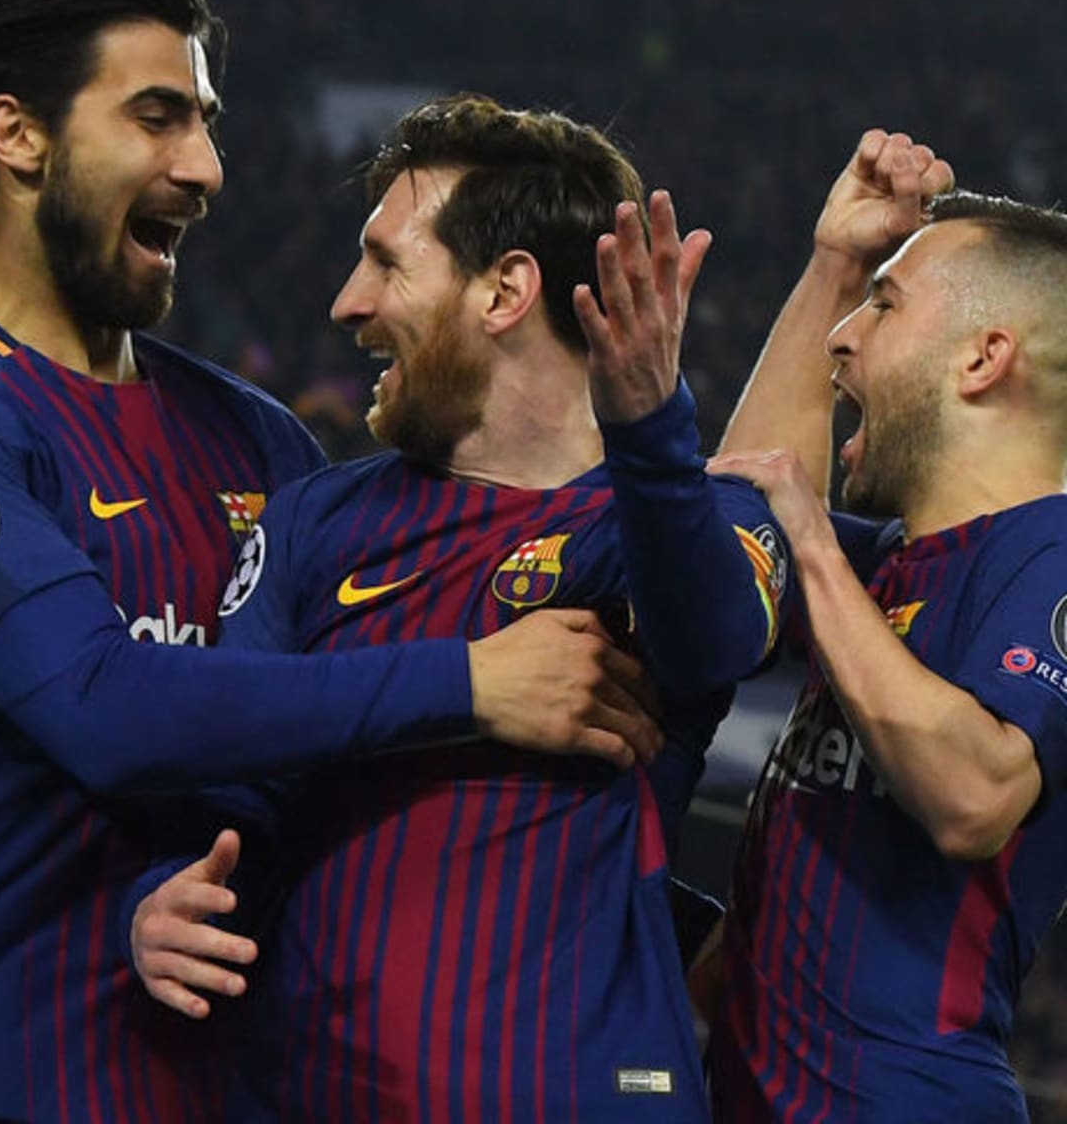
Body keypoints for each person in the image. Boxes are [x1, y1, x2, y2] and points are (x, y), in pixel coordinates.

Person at [0, 0, 660, 1124]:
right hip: (7, 1076)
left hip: (246, 1083)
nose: (205, 167)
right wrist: (471, 680)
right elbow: (97, 702)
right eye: (156, 117)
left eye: (206, 122)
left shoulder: (259, 440)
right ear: (18, 135)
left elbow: (338, 756)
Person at [129, 93, 790, 1121]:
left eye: (385, 263)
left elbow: (713, 638)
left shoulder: (676, 517)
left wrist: (651, 430)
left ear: (505, 292)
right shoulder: (316, 520)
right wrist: (162, 896)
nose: (347, 304)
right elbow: (224, 760)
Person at [589, 127, 1062, 1121]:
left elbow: (975, 795)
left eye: (882, 304)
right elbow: (742, 517)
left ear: (984, 358)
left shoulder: (1048, 554)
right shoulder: (882, 565)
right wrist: (835, 261)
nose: (842, 336)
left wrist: (808, 536)